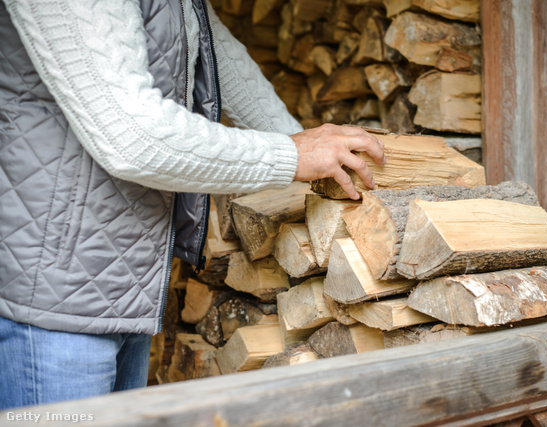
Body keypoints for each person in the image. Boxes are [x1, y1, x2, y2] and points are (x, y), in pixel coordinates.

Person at [0, 0, 385, 410]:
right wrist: (293, 154)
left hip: (123, 284)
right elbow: (132, 137)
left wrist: (321, 158)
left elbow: (216, 54)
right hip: (55, 294)